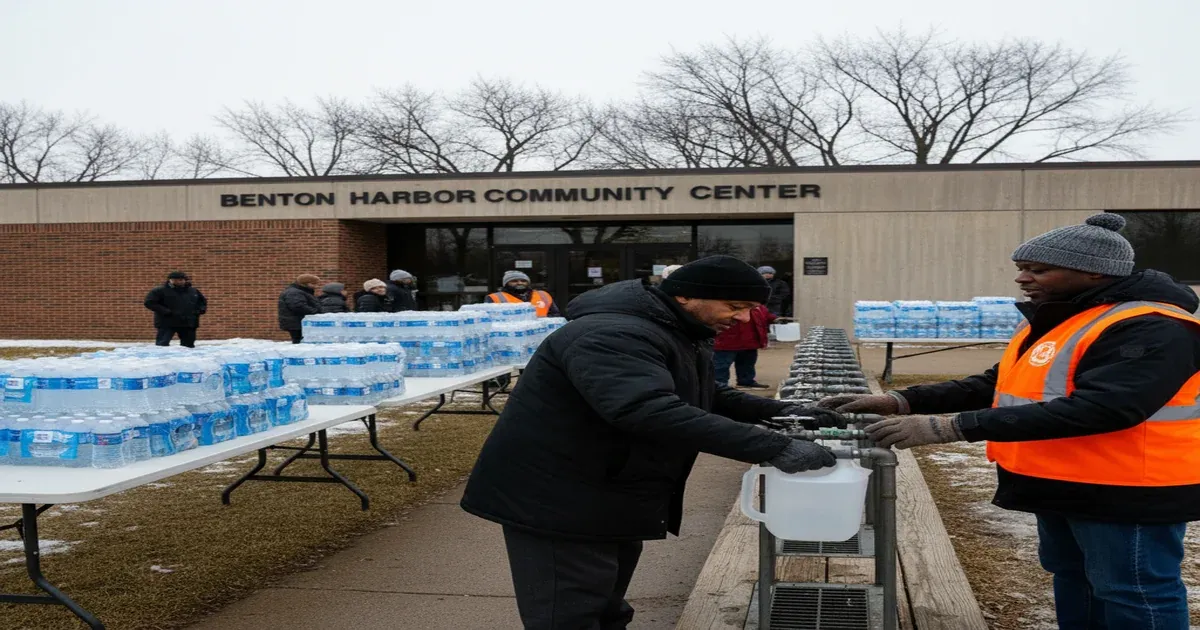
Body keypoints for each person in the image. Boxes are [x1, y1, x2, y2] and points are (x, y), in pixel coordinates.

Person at [820, 213, 1200, 630]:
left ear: (1094, 272)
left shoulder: (1152, 327)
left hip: (1128, 489)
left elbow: (1107, 408)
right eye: (1022, 268)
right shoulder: (1065, 318)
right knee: (1075, 577)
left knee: (1133, 591)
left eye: (1038, 270)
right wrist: (899, 400)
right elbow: (995, 382)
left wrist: (950, 428)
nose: (1022, 278)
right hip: (1065, 478)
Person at [461, 255, 847, 630]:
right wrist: (773, 446)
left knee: (607, 605)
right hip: (558, 498)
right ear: (686, 296)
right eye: (735, 306)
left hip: (608, 490)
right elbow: (646, 409)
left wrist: (782, 412)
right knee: (568, 613)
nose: (744, 318)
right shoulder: (613, 333)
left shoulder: (673, 328)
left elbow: (703, 393)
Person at [713, 304, 775, 389]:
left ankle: (746, 381)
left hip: (749, 342)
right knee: (721, 366)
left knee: (747, 364)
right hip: (727, 342)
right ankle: (719, 386)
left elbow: (764, 316)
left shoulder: (756, 306)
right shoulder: (726, 304)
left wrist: (774, 319)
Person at [143, 271, 206, 348]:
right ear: (170, 280)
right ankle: (161, 359)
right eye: (177, 279)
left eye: (182, 279)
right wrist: (166, 311)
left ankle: (187, 360)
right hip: (167, 322)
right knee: (162, 345)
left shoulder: (193, 291)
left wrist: (200, 310)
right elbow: (149, 302)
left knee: (188, 347)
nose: (180, 281)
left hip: (188, 322)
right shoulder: (159, 290)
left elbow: (202, 302)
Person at [486, 270, 560, 317]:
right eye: (514, 281)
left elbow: (555, 314)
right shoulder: (495, 297)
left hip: (541, 332)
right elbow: (491, 318)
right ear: (506, 283)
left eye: (523, 281)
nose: (519, 283)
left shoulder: (543, 295)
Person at [278, 274, 322, 343]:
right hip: (296, 323)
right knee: (299, 342)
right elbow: (298, 306)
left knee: (301, 342)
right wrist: (315, 312)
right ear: (306, 283)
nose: (316, 286)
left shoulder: (301, 291)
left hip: (298, 322)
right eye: (314, 284)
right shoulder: (294, 292)